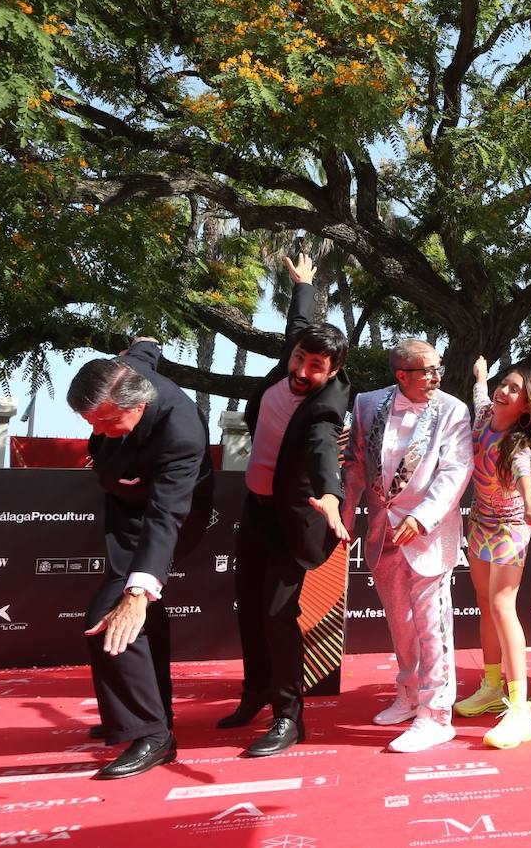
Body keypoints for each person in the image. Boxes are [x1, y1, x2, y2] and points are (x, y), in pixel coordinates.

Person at [218, 252, 352, 758]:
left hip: (294, 519)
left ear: (333, 370)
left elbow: (324, 460)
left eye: (315, 367)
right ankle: (254, 692)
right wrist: (303, 285)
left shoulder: (322, 410)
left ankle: (289, 717)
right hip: (256, 507)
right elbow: (299, 327)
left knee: (276, 613)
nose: (302, 371)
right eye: (299, 359)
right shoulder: (291, 362)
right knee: (249, 607)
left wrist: (332, 501)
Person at [67, 340, 213, 779]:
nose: (102, 432)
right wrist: (147, 341)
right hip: (126, 500)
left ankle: (154, 736)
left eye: (110, 422)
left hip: (170, 512)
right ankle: (150, 714)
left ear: (139, 400)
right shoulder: (122, 372)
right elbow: (144, 354)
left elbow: (166, 517)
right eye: (93, 424)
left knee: (111, 615)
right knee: (137, 615)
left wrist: (137, 589)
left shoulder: (180, 431)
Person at [341, 340, 472, 752]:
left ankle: (437, 716)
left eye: (439, 368)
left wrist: (423, 517)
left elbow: (456, 469)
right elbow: (356, 465)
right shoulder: (365, 404)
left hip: (428, 533)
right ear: (402, 375)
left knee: (433, 626)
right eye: (428, 370)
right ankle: (409, 694)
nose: (436, 377)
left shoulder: (453, 409)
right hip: (382, 532)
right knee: (400, 624)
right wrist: (343, 519)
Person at [452, 357, 531, 749]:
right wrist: (481, 375)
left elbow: (522, 472)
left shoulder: (517, 442)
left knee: (501, 605)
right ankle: (491, 687)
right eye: (504, 384)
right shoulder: (482, 416)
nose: (504, 391)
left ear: (527, 407)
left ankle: (519, 710)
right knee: (485, 602)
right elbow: (480, 392)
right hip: (479, 521)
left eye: (514, 390)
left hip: (510, 529)